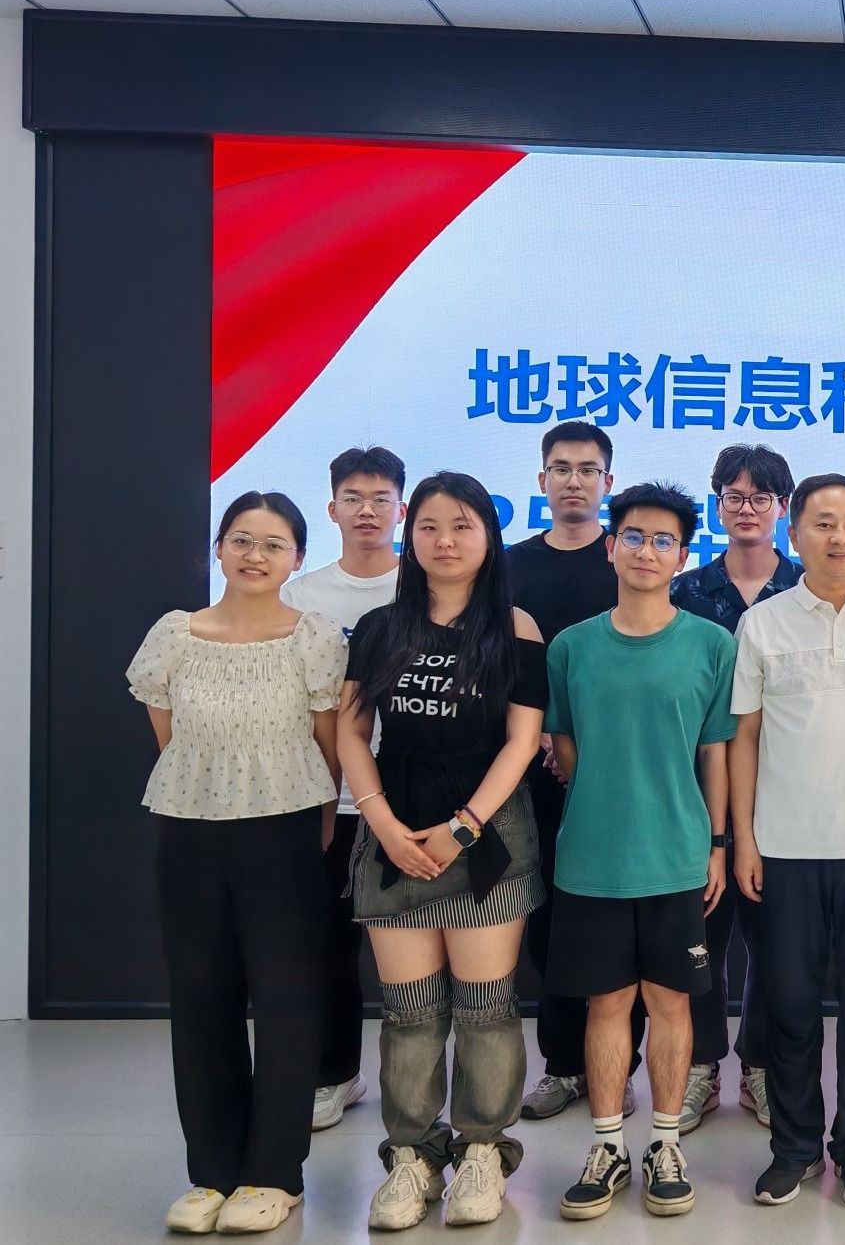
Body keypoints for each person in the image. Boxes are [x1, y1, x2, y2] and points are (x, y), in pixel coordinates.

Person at [130, 492, 345, 1236]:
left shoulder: (313, 637)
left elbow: (327, 743)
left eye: (274, 544)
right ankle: (211, 1173)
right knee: (199, 997)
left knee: (286, 1000)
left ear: (297, 558)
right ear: (218, 548)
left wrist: (318, 825)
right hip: (189, 829)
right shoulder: (174, 635)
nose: (256, 555)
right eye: (242, 539)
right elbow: (170, 738)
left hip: (285, 828)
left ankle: (274, 1174)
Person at [339, 472, 548, 1230]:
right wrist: (383, 823)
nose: (445, 541)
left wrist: (463, 826)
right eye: (428, 526)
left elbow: (523, 740)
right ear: (410, 536)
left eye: (462, 526)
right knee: (409, 1009)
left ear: (488, 536)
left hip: (488, 836)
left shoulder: (516, 627)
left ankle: (482, 1150)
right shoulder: (378, 627)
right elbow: (351, 732)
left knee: (487, 1007)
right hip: (394, 831)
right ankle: (412, 1157)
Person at [545, 483, 736, 1222]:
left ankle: (664, 1144)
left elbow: (715, 754)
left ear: (682, 556)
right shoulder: (571, 646)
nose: (646, 550)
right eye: (633, 536)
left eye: (663, 540)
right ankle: (606, 1147)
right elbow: (564, 747)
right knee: (607, 1003)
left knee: (670, 1002)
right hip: (592, 857)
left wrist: (716, 843)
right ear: (610, 546)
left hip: (678, 856)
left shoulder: (712, 644)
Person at [730, 474, 845, 1210]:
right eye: (823, 523)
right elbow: (745, 737)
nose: (839, 537)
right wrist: (744, 838)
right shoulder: (765, 623)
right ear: (795, 533)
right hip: (785, 845)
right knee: (789, 1005)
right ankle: (795, 1147)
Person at [671, 444, 802, 1132]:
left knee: (775, 942)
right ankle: (700, 1065)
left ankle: (760, 1064)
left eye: (761, 496)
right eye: (734, 495)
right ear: (717, 504)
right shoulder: (684, 591)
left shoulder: (809, 587)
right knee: (700, 936)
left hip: (789, 789)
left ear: (783, 507)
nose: (747, 508)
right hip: (693, 791)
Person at [508, 422, 635, 1125]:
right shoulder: (509, 565)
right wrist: (541, 741)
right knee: (548, 919)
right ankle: (561, 1065)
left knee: (619, 917)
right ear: (542, 481)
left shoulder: (627, 558)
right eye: (561, 468)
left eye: (589, 469)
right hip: (528, 769)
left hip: (618, 770)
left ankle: (618, 1065)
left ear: (608, 482)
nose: (575, 480)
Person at [281, 445, 405, 1134]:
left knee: (416, 952)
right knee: (327, 945)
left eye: (381, 498)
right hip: (326, 798)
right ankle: (335, 1075)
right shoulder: (301, 596)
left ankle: (418, 1090)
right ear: (332, 508)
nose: (367, 510)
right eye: (353, 498)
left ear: (401, 510)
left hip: (407, 797)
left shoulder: (423, 587)